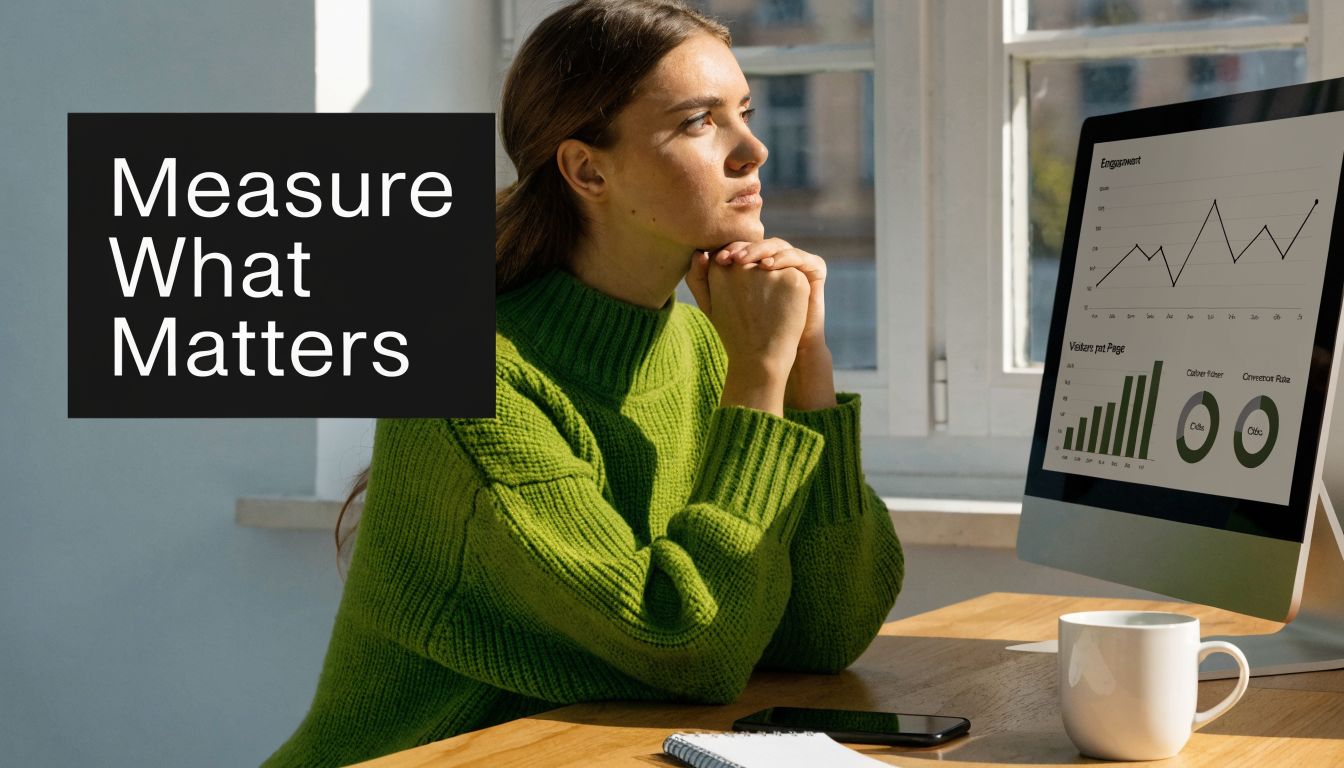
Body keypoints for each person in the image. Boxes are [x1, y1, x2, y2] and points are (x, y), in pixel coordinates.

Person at [262, 1, 903, 765]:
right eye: (700, 122)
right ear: (587, 168)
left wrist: (808, 369)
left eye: (746, 112)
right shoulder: (474, 385)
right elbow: (692, 647)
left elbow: (823, 637)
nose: (754, 149)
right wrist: (760, 378)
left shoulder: (703, 348)